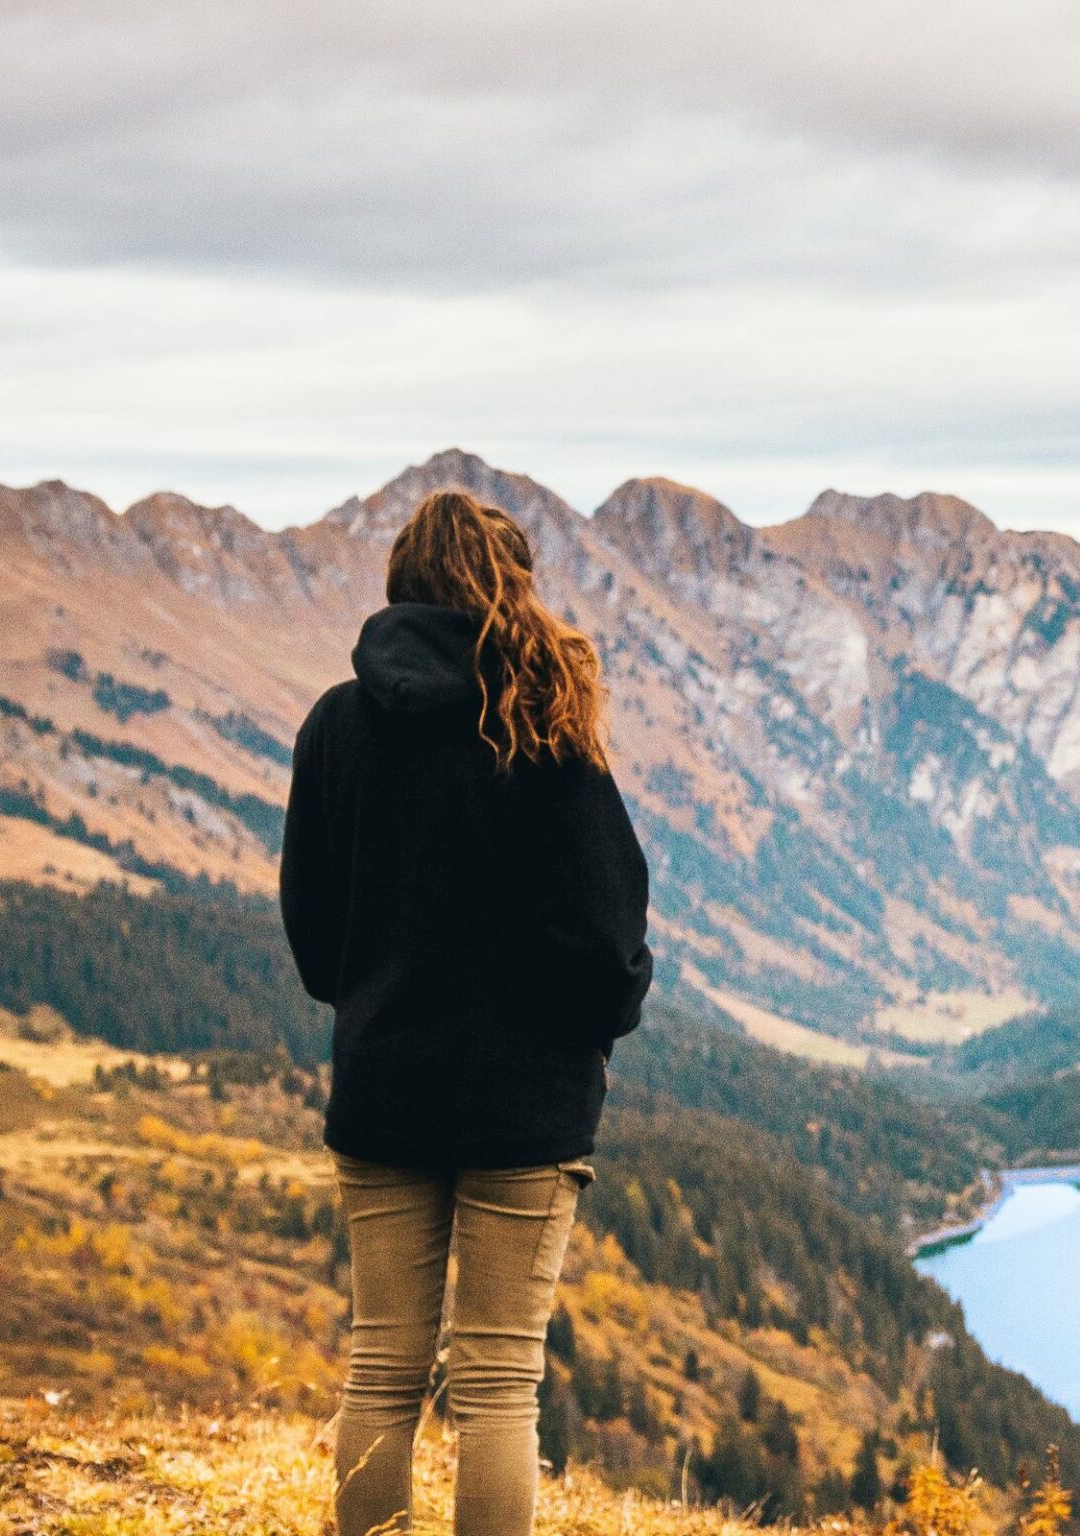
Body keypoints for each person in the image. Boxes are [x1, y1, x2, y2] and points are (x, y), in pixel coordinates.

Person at [280, 486, 653, 1536]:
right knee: (495, 1383)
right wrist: (606, 1012)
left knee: (382, 1367)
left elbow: (315, 932)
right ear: (508, 586)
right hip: (523, 1107)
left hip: (385, 1083)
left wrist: (371, 998)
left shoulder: (335, 727)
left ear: (404, 586)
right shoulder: (540, 720)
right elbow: (604, 937)